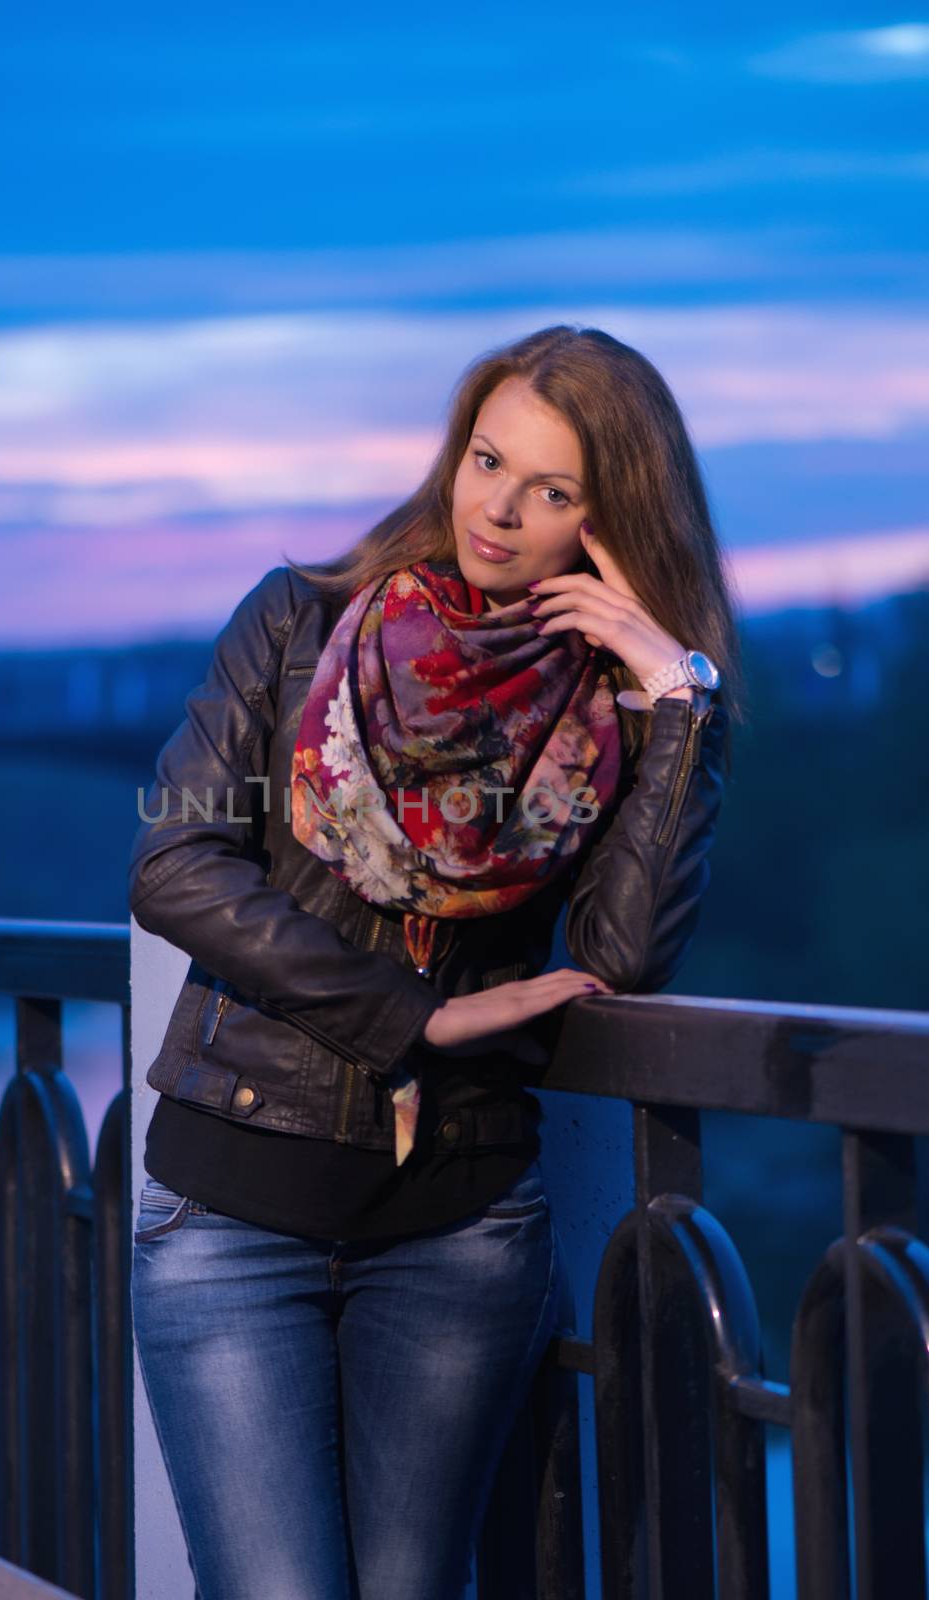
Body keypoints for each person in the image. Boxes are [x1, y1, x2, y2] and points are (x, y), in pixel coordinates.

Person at [127, 323, 742, 1600]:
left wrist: (676, 697)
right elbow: (175, 861)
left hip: (458, 1229)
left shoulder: (602, 705)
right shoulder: (300, 621)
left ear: (608, 523)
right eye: (486, 461)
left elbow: (623, 949)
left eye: (553, 490)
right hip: (232, 1215)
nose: (500, 510)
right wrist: (417, 1019)